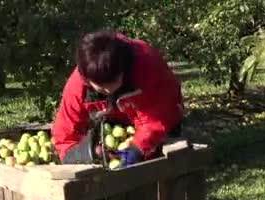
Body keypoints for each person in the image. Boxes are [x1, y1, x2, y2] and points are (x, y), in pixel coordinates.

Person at [51, 30, 185, 168]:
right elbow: (64, 135)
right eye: (102, 88)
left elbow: (162, 114)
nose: (109, 90)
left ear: (123, 69)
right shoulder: (78, 87)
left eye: (114, 82)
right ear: (87, 79)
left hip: (158, 125)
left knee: (162, 169)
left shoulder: (148, 65)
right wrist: (89, 152)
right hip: (119, 131)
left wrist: (137, 148)